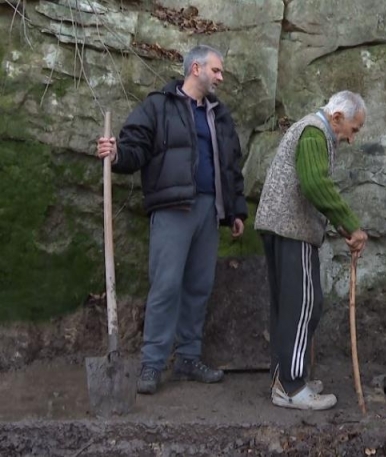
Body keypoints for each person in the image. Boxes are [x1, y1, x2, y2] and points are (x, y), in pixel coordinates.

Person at [96, 45, 248, 395]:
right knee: (165, 286)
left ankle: (188, 359)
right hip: (172, 209)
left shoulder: (219, 115)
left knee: (199, 286)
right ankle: (151, 364)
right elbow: (135, 148)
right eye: (216, 70)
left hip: (210, 210)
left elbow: (231, 165)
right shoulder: (158, 106)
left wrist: (236, 210)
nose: (221, 77)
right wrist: (116, 154)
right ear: (196, 68)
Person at [255, 91, 369, 410]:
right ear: (337, 118)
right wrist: (350, 224)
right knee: (304, 305)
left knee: (287, 307)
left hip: (278, 225)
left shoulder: (309, 130)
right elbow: (315, 184)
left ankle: (285, 378)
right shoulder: (315, 132)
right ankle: (292, 387)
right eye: (353, 129)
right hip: (293, 228)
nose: (352, 139)